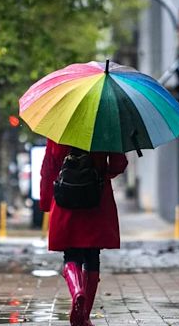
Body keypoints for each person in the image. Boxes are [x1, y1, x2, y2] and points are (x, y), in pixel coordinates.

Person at [40, 139, 128, 326]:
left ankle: (77, 291)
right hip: (96, 198)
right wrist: (104, 172)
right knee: (92, 256)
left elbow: (48, 167)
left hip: (65, 197)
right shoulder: (104, 128)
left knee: (71, 254)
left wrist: (46, 200)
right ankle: (84, 315)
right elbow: (119, 164)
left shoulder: (59, 130)